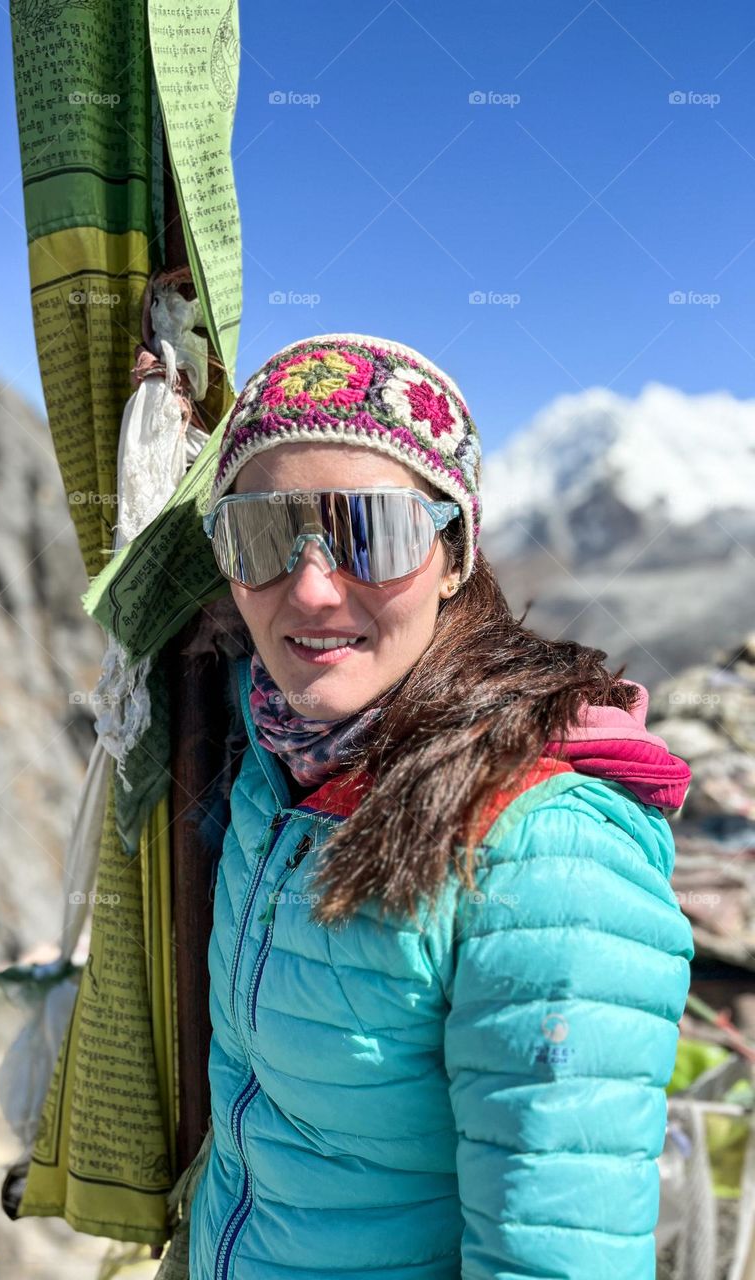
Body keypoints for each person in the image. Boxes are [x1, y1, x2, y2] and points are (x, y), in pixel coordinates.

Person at [185, 333, 695, 1280]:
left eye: (368, 532)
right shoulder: (271, 760)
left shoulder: (550, 855)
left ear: (455, 553)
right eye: (260, 535)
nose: (308, 587)